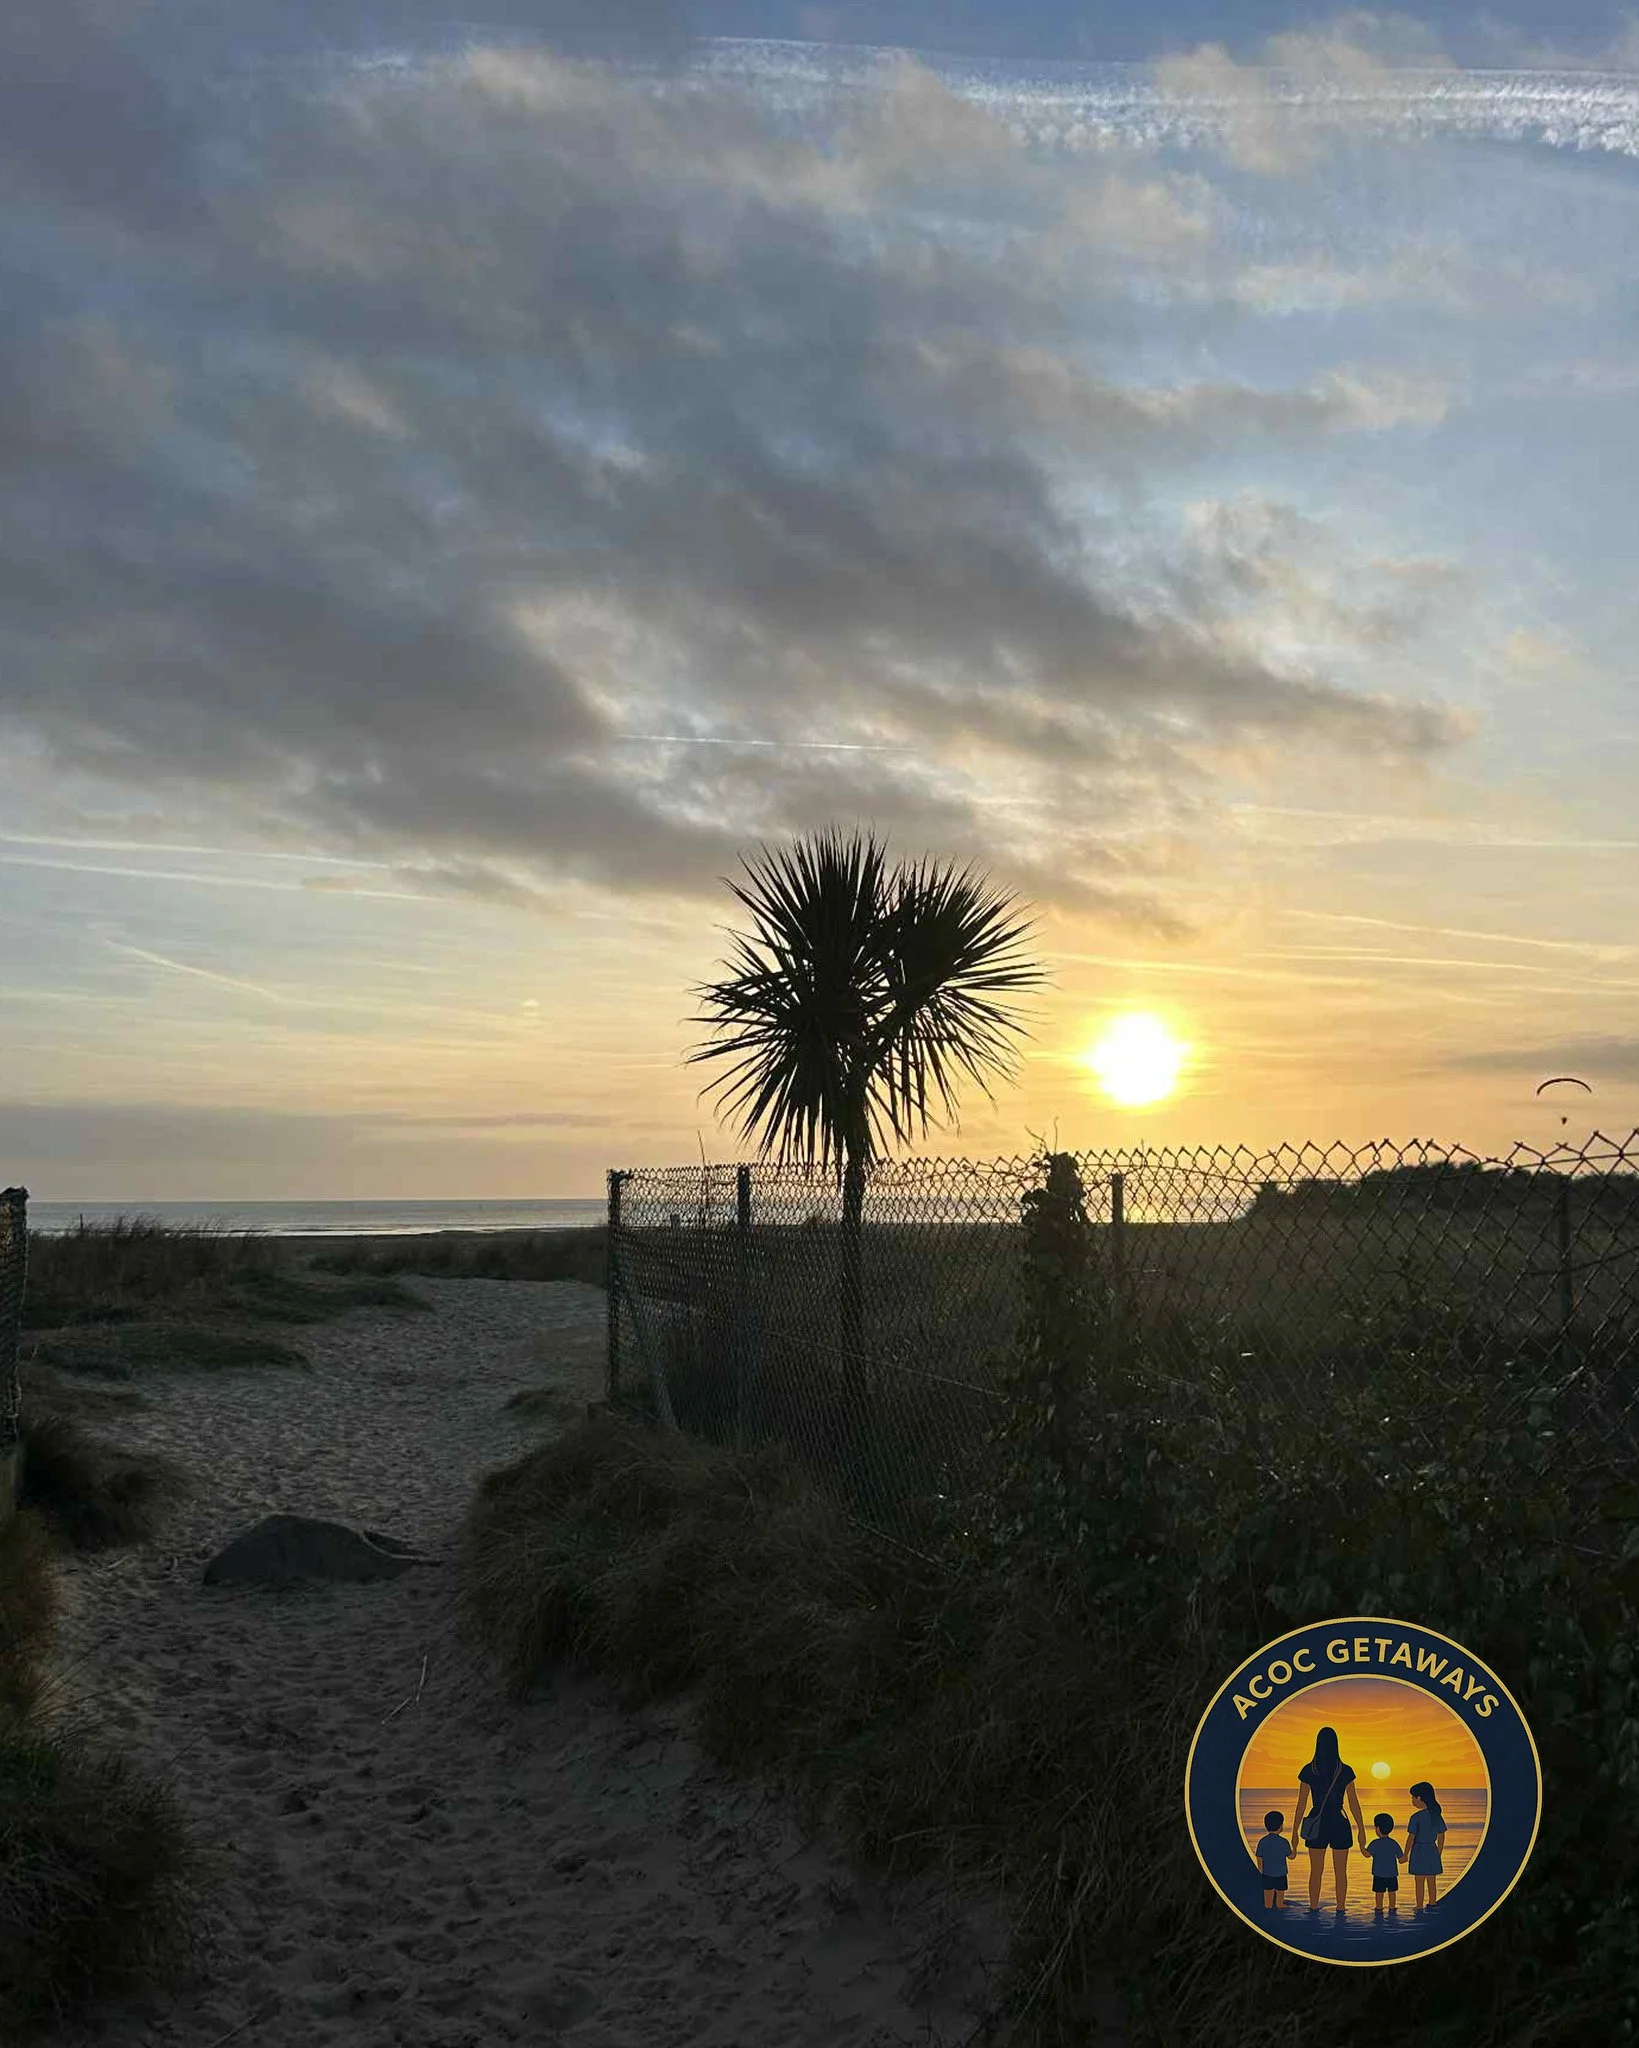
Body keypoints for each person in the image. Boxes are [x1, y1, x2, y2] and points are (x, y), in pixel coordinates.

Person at [1289, 1725, 1367, 1910]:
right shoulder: (1345, 1770)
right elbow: (1354, 1803)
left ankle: (1313, 1908)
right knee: (1341, 1872)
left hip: (1317, 1823)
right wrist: (1361, 1830)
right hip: (1340, 1823)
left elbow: (1301, 1805)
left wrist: (1294, 1832)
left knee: (1316, 1871)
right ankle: (1341, 1909)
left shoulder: (1309, 1770)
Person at [1406, 1782, 1448, 1907]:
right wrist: (1438, 1852)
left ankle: (1419, 1905)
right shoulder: (1436, 1816)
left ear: (1419, 1798)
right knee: (1431, 1879)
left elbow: (1411, 1838)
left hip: (1419, 1850)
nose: (1412, 1800)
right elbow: (1441, 1835)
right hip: (1431, 1850)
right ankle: (1432, 1902)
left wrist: (1405, 1854)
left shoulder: (1415, 1817)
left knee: (1419, 1880)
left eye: (1413, 1797)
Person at [1365, 1812, 1404, 1914]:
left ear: (1377, 1829)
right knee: (1392, 1892)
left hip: (1378, 1874)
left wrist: (1361, 1847)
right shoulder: (1394, 1843)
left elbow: (1367, 1854)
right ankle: (1392, 1907)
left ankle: (1379, 1908)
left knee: (1379, 1893)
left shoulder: (1375, 1843)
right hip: (1392, 1874)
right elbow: (1401, 1857)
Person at [1255, 1810, 1292, 1908]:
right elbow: (1291, 1856)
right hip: (1281, 1874)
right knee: (1280, 1896)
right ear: (1281, 1826)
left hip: (1267, 1874)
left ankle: (1268, 1907)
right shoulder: (1284, 1842)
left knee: (1267, 1899)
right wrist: (1295, 1848)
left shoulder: (1262, 1841)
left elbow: (1259, 1858)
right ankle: (1280, 1905)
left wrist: (1262, 1871)